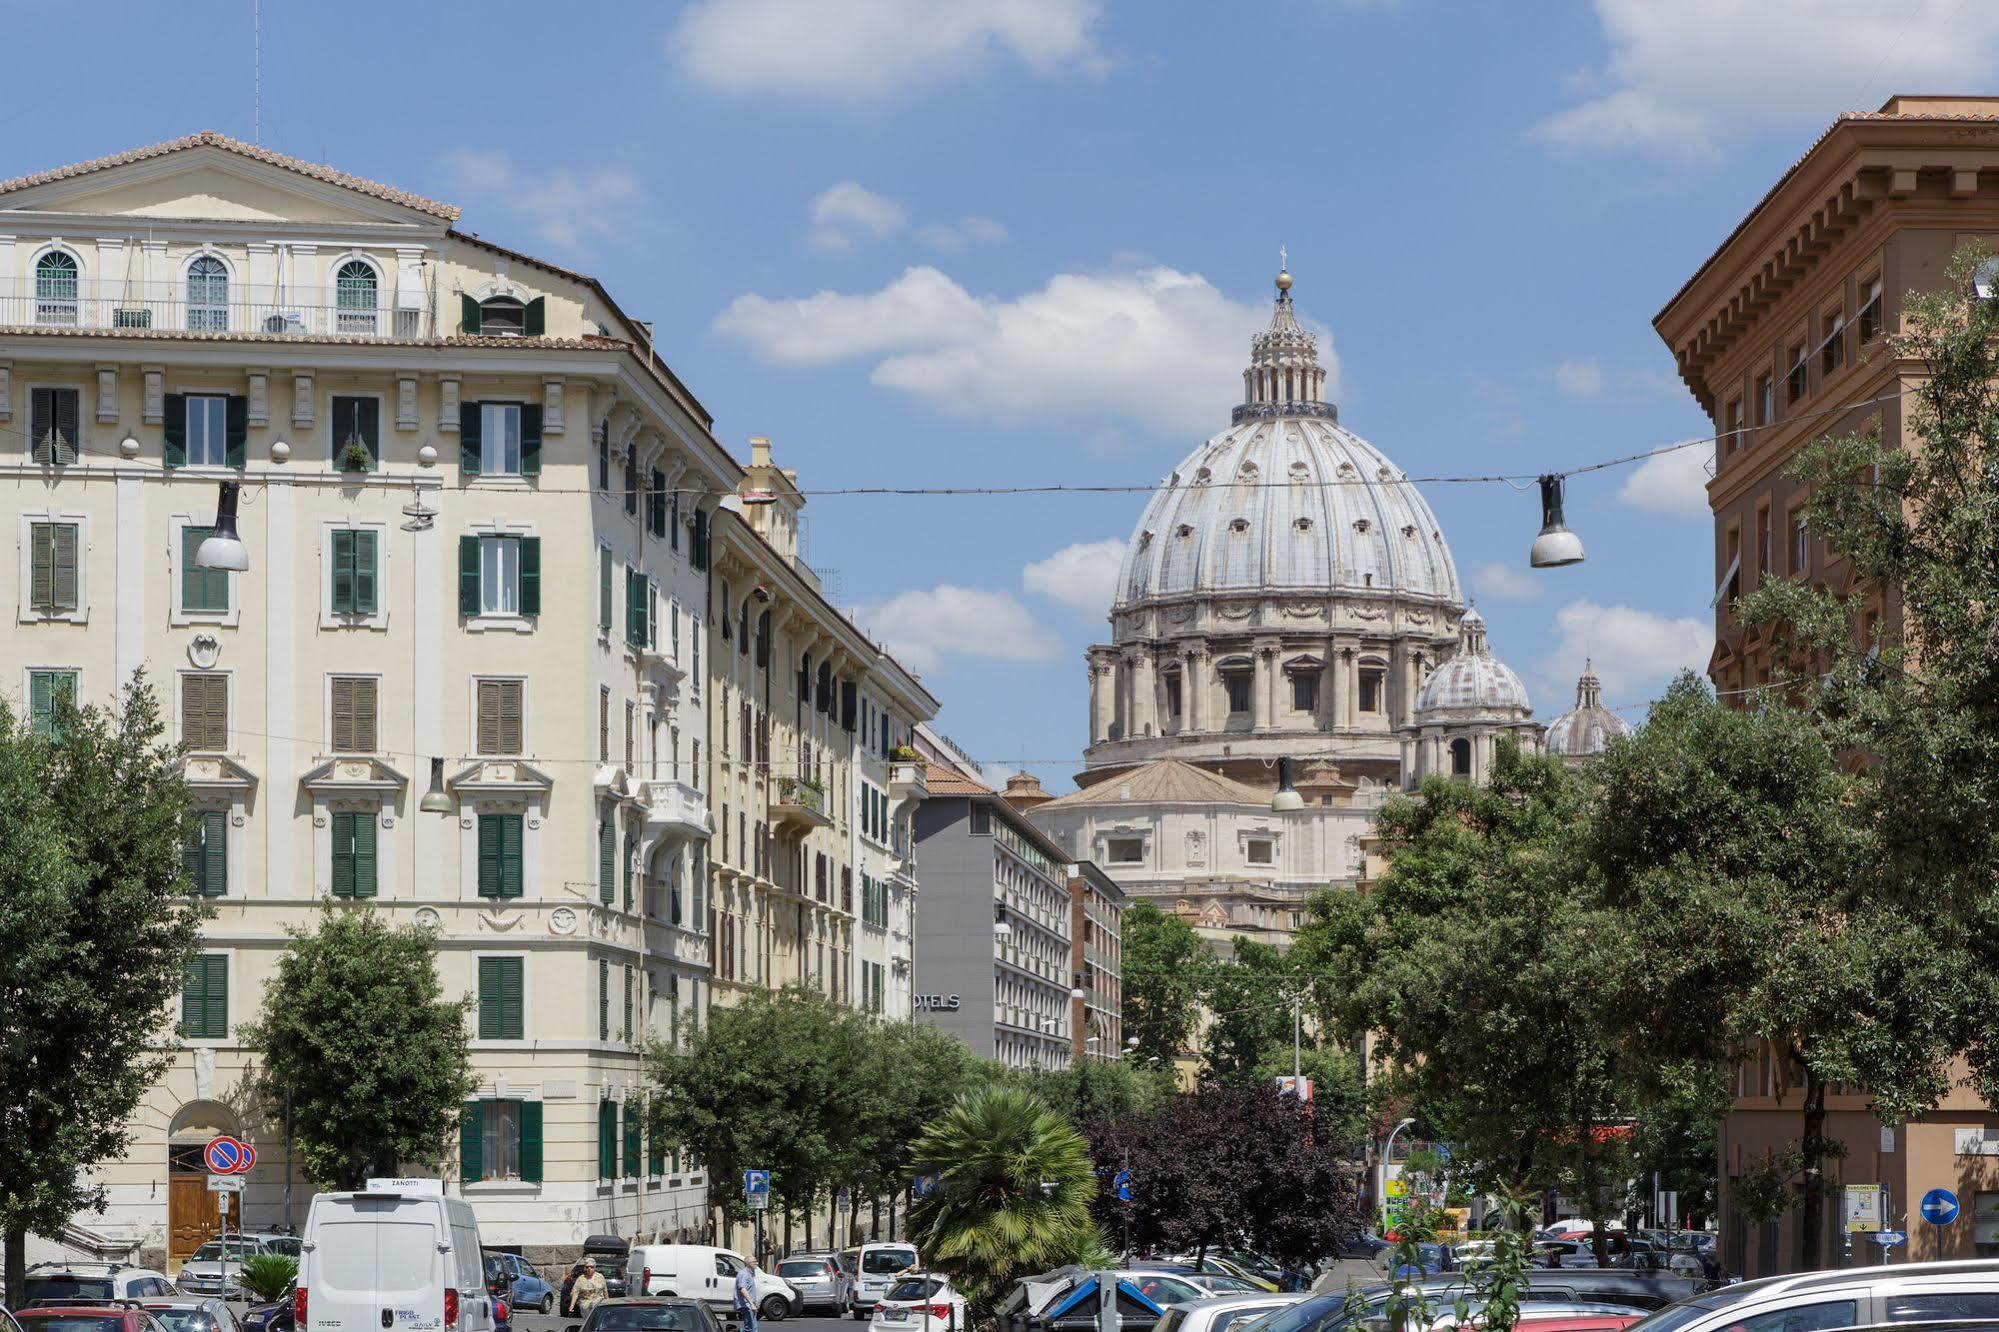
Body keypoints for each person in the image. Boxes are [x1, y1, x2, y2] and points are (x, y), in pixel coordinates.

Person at [734, 1255, 760, 1332]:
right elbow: (742, 1289)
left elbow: (750, 1290)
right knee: (751, 1329)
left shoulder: (750, 1274)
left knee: (752, 1328)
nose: (757, 1263)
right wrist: (751, 1304)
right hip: (746, 1305)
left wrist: (754, 1303)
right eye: (754, 1262)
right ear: (749, 1263)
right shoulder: (744, 1274)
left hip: (749, 1304)